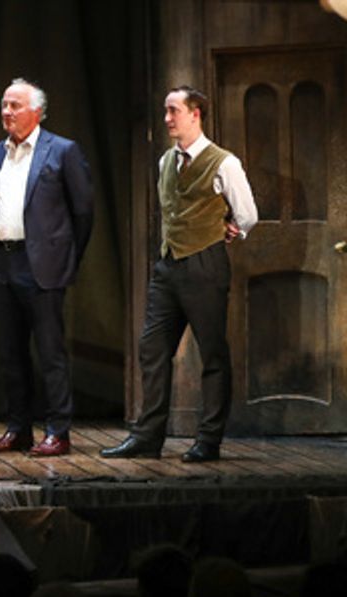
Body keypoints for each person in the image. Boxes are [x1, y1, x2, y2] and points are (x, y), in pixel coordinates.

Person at [103, 86, 257, 463]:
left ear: (195, 114)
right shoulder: (166, 162)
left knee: (212, 353)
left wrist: (233, 229)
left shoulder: (223, 162)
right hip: (168, 265)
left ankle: (208, 440)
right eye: (166, 111)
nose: (167, 118)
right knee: (153, 350)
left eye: (174, 111)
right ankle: (147, 436)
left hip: (205, 265)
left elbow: (248, 213)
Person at [0, 78, 93, 458]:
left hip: (41, 266)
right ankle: (18, 429)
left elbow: (83, 212)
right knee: (11, 355)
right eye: (4, 104)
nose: (7, 112)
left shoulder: (62, 151)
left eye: (15, 105)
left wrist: (65, 259)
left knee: (50, 353)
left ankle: (58, 432)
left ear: (37, 112)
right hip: (4, 262)